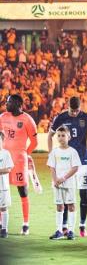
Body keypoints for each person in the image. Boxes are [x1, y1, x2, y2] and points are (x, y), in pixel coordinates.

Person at [48, 96, 87, 237]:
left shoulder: (86, 117)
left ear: (80, 107)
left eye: (77, 110)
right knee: (66, 194)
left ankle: (82, 225)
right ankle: (64, 226)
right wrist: (50, 154)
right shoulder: (60, 117)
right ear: (68, 107)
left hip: (83, 162)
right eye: (72, 111)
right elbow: (50, 135)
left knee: (84, 194)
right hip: (66, 164)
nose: (74, 113)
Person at [0, 94, 38, 235]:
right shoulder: (3, 117)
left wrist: (25, 153)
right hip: (3, 160)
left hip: (19, 161)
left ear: (17, 104)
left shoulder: (27, 120)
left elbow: (34, 143)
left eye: (9, 102)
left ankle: (25, 223)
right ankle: (1, 224)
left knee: (22, 192)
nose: (6, 104)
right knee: (1, 190)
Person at [47, 126, 82, 240]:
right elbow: (51, 167)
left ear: (69, 137)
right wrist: (55, 179)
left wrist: (64, 178)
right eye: (59, 136)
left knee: (71, 206)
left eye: (63, 135)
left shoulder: (73, 152)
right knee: (59, 206)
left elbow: (75, 168)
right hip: (57, 184)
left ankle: (71, 231)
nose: (61, 138)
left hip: (69, 183)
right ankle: (59, 230)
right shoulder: (54, 152)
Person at [0, 132, 14, 238]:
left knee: (3, 208)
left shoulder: (6, 154)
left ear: (2, 140)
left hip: (3, 186)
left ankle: (4, 229)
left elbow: (9, 169)